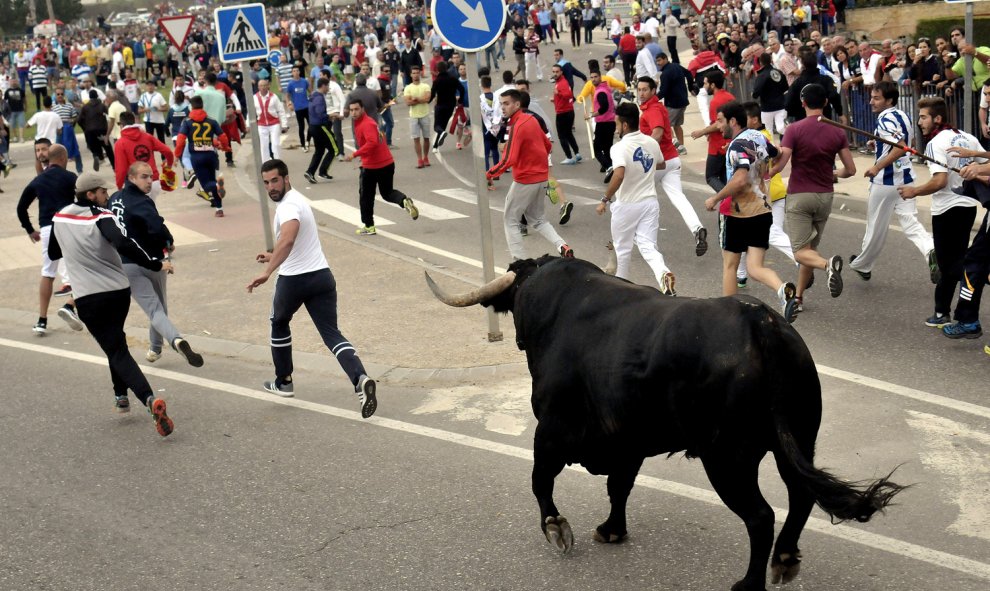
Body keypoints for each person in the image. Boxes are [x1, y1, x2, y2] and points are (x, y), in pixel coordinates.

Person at [246, 159, 378, 419]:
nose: (271, 187)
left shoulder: (289, 206)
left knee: (278, 322)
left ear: (286, 178)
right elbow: (291, 241)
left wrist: (267, 271)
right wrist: (271, 254)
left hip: (294, 280)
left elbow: (289, 237)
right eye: (266, 183)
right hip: (322, 278)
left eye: (275, 180)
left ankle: (283, 381)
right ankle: (360, 378)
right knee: (332, 334)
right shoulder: (297, 201)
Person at [47, 171, 176, 436]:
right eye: (103, 192)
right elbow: (123, 243)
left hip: (87, 298)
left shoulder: (59, 218)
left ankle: (149, 400)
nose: (108, 196)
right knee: (115, 343)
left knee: (115, 349)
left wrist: (75, 248)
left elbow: (52, 253)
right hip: (117, 292)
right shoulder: (101, 216)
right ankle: (121, 396)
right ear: (91, 194)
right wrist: (154, 263)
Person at [704, 101, 799, 323]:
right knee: (755, 267)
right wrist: (773, 171)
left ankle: (729, 316)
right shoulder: (758, 137)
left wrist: (715, 198)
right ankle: (782, 288)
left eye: (720, 121)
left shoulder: (736, 147)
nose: (718, 126)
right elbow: (781, 152)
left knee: (730, 266)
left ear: (733, 121)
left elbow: (739, 179)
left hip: (735, 214)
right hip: (762, 210)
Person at [897, 97, 984, 336]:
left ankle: (949, 307)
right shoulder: (968, 137)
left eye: (923, 117)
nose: (919, 121)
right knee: (952, 261)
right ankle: (941, 311)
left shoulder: (936, 142)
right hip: (967, 207)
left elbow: (940, 181)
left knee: (950, 264)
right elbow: (984, 165)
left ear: (937, 118)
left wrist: (914, 191)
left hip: (947, 208)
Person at [768, 84, 856, 305]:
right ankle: (798, 296)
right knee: (809, 250)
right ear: (826, 103)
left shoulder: (794, 130)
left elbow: (780, 164)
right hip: (825, 195)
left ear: (803, 103)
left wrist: (764, 174)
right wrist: (833, 171)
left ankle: (828, 265)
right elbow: (851, 170)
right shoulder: (837, 131)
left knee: (799, 253)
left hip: (800, 195)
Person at [109, 161, 203, 366]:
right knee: (158, 308)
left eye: (151, 176)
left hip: (126, 262)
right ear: (131, 178)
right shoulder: (141, 202)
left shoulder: (114, 199)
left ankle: (155, 348)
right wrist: (169, 242)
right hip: (153, 261)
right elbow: (157, 227)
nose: (150, 181)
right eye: (144, 176)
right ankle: (177, 340)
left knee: (154, 309)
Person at [848, 82, 937, 284]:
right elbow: (906, 142)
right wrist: (878, 142)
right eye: (871, 97)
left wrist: (877, 167)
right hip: (906, 177)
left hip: (885, 181)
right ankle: (930, 249)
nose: (871, 101)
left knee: (874, 228)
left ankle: (863, 265)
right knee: (909, 220)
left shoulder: (885, 118)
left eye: (876, 98)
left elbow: (901, 146)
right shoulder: (902, 115)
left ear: (889, 100)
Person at [596, 102, 675, 295]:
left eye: (616, 123)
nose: (615, 127)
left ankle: (620, 291)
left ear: (624, 125)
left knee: (622, 249)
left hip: (627, 205)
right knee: (648, 246)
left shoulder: (619, 148)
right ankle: (663, 273)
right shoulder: (651, 142)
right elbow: (662, 164)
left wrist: (605, 199)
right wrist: (643, 169)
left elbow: (620, 173)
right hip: (650, 203)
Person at [486, 89, 573, 260]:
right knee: (538, 220)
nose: (503, 107)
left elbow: (508, 160)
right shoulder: (531, 119)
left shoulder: (518, 126)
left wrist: (488, 174)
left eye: (507, 103)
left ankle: (519, 262)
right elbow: (547, 145)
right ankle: (562, 245)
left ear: (517, 104)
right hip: (541, 178)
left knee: (510, 220)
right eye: (501, 103)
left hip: (525, 180)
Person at [637, 76, 707, 256]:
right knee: (678, 198)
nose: (642, 93)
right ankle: (697, 228)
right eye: (639, 89)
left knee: (639, 198)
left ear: (653, 91)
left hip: (658, 163)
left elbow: (658, 133)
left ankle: (641, 239)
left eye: (645, 89)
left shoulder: (652, 110)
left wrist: (643, 153)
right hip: (672, 161)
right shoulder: (657, 107)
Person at [16, 144, 82, 334]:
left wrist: (30, 230)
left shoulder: (38, 180)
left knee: (48, 272)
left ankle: (42, 320)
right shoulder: (71, 178)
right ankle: (70, 305)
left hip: (47, 228)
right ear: (62, 158)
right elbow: (83, 201)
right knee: (82, 269)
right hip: (68, 225)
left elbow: (21, 208)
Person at [343, 99, 419, 235]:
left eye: (356, 109)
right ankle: (404, 201)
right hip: (387, 163)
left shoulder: (366, 124)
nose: (353, 113)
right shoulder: (368, 122)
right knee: (387, 193)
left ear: (362, 109)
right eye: (352, 110)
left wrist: (354, 155)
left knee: (366, 197)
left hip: (373, 167)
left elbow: (372, 143)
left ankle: (369, 226)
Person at [173, 95, 230, 217]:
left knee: (206, 185)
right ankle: (219, 209)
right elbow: (223, 136)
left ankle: (216, 186)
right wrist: (225, 147)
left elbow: (181, 140)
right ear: (202, 105)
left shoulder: (187, 122)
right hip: (211, 155)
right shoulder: (212, 121)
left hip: (197, 157)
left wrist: (177, 156)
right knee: (212, 180)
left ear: (192, 107)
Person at [690, 70, 734, 192]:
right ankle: (729, 205)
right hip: (728, 143)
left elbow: (718, 123)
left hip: (718, 146)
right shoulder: (729, 97)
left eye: (705, 84)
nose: (704, 87)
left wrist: (702, 132)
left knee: (711, 177)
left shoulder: (716, 101)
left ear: (713, 85)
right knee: (725, 177)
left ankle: (727, 199)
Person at [303, 78, 339, 184]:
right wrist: (332, 115)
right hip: (320, 127)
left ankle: (310, 172)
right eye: (327, 86)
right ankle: (322, 171)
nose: (328, 88)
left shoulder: (313, 95)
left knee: (319, 151)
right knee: (334, 148)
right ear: (323, 86)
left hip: (313, 126)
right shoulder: (319, 98)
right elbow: (320, 113)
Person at [587, 69, 616, 176]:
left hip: (603, 124)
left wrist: (591, 115)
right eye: (592, 77)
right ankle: (611, 169)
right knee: (607, 148)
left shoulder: (600, 92)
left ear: (600, 77)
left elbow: (604, 107)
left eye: (595, 77)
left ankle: (609, 167)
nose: (593, 79)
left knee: (597, 150)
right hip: (610, 122)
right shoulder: (605, 88)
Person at [403, 65, 432, 168]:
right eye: (413, 73)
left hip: (425, 114)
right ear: (411, 75)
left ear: (420, 73)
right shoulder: (408, 87)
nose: (415, 75)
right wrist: (420, 99)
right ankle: (419, 159)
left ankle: (426, 157)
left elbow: (427, 99)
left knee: (426, 138)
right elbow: (408, 102)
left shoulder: (425, 86)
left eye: (417, 72)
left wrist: (415, 99)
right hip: (413, 116)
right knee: (416, 138)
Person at [551, 64, 582, 164]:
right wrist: (555, 100)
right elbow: (568, 97)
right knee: (568, 134)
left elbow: (568, 95)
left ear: (561, 72)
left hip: (563, 113)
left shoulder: (561, 83)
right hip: (568, 111)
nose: (555, 74)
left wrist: (557, 93)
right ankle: (577, 154)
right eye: (553, 72)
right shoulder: (562, 82)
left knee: (562, 136)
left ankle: (569, 157)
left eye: (557, 72)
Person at [254, 79, 288, 163]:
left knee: (275, 144)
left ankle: (278, 162)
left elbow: (281, 110)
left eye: (265, 85)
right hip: (261, 124)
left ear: (268, 86)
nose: (263, 87)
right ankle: (265, 163)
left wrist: (284, 124)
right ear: (258, 87)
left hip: (274, 123)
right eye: (261, 86)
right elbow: (250, 112)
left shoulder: (274, 96)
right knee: (264, 145)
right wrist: (248, 124)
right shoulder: (254, 98)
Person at [78, 89, 112, 172]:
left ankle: (97, 156)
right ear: (97, 96)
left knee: (93, 146)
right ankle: (114, 166)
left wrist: (85, 128)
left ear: (89, 97)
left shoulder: (85, 107)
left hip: (90, 131)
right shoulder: (102, 106)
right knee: (108, 149)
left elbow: (79, 120)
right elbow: (110, 115)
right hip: (101, 130)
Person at [286, 66, 310, 151]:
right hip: (298, 108)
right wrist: (289, 104)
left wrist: (312, 99)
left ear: (299, 72)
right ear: (292, 73)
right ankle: (303, 145)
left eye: (297, 70)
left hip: (306, 106)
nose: (296, 72)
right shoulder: (291, 84)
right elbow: (287, 96)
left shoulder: (304, 81)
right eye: (294, 71)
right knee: (301, 126)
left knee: (311, 125)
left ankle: (308, 140)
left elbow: (310, 90)